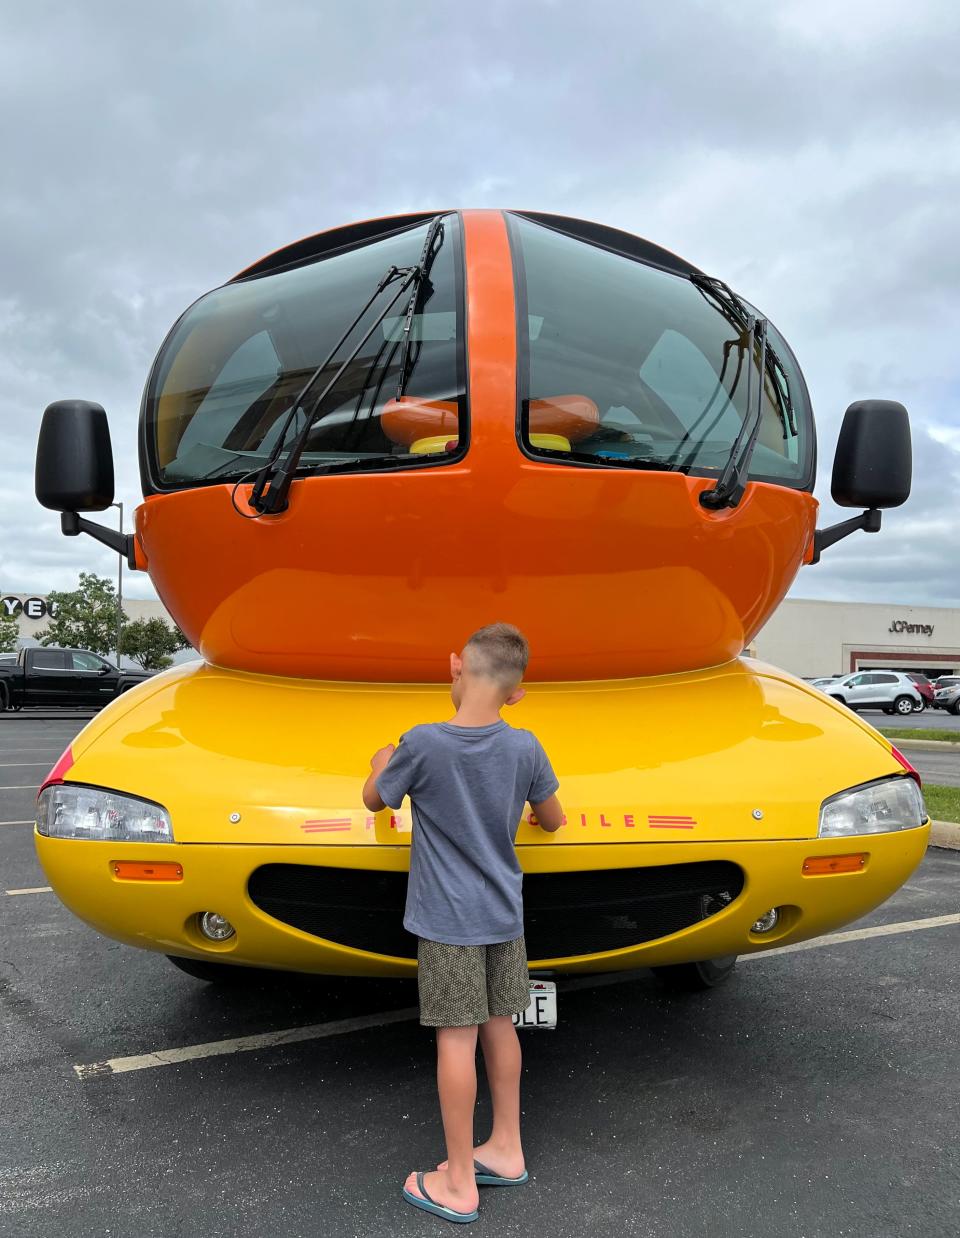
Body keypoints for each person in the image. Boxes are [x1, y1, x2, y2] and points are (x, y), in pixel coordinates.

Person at [361, 622, 563, 1224]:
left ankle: (456, 1185)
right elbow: (552, 817)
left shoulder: (422, 742)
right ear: (517, 691)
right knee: (502, 1024)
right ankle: (505, 1149)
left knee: (457, 1036)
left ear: (455, 666)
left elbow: (375, 799)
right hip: (505, 912)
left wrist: (381, 761)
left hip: (448, 919)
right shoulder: (526, 745)